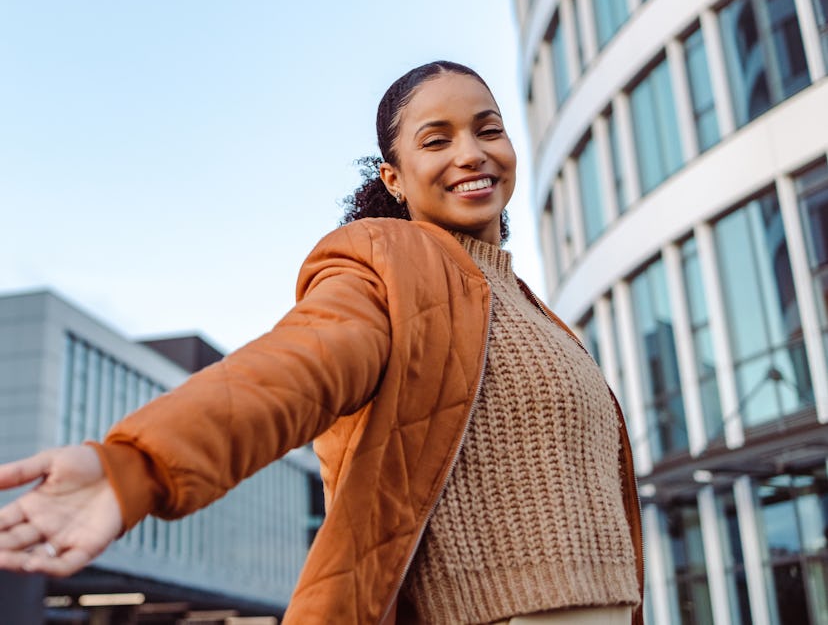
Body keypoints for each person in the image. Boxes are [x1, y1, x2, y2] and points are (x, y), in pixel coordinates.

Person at [0, 61, 643, 624]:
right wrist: (136, 467)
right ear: (395, 178)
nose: (471, 153)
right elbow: (296, 369)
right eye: (436, 140)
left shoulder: (534, 309)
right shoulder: (389, 261)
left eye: (488, 129)